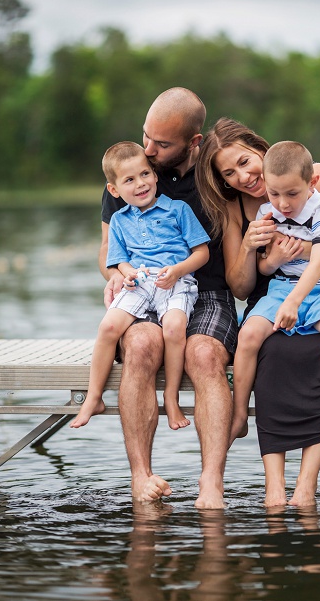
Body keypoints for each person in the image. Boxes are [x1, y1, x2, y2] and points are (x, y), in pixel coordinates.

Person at [196, 117, 320, 506]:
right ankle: (273, 487)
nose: (243, 177)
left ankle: (306, 484)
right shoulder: (236, 209)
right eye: (229, 173)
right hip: (273, 297)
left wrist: (310, 249)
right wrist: (250, 248)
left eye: (245, 162)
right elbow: (241, 287)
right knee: (273, 353)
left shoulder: (317, 177)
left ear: (259, 148)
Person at [100, 88, 237, 508]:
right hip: (145, 288)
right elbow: (108, 255)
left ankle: (211, 482)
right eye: (147, 136)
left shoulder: (216, 176)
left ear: (193, 142)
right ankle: (140, 476)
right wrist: (114, 276)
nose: (149, 150)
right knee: (141, 345)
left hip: (208, 290)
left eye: (162, 144)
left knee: (204, 355)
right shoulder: (129, 174)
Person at [229, 141, 320, 460]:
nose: (282, 204)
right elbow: (267, 265)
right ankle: (239, 413)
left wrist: (294, 302)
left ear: (311, 184)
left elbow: (319, 263)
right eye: (274, 194)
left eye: (291, 194)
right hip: (281, 288)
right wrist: (272, 259)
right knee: (249, 335)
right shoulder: (266, 212)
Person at [73, 142, 210, 431]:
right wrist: (128, 273)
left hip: (176, 280)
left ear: (155, 175)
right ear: (114, 190)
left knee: (174, 326)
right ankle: (93, 397)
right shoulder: (119, 220)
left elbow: (202, 253)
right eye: (129, 180)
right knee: (109, 327)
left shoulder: (178, 210)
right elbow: (118, 260)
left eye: (145, 174)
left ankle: (170, 398)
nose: (140, 184)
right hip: (141, 282)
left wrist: (177, 271)